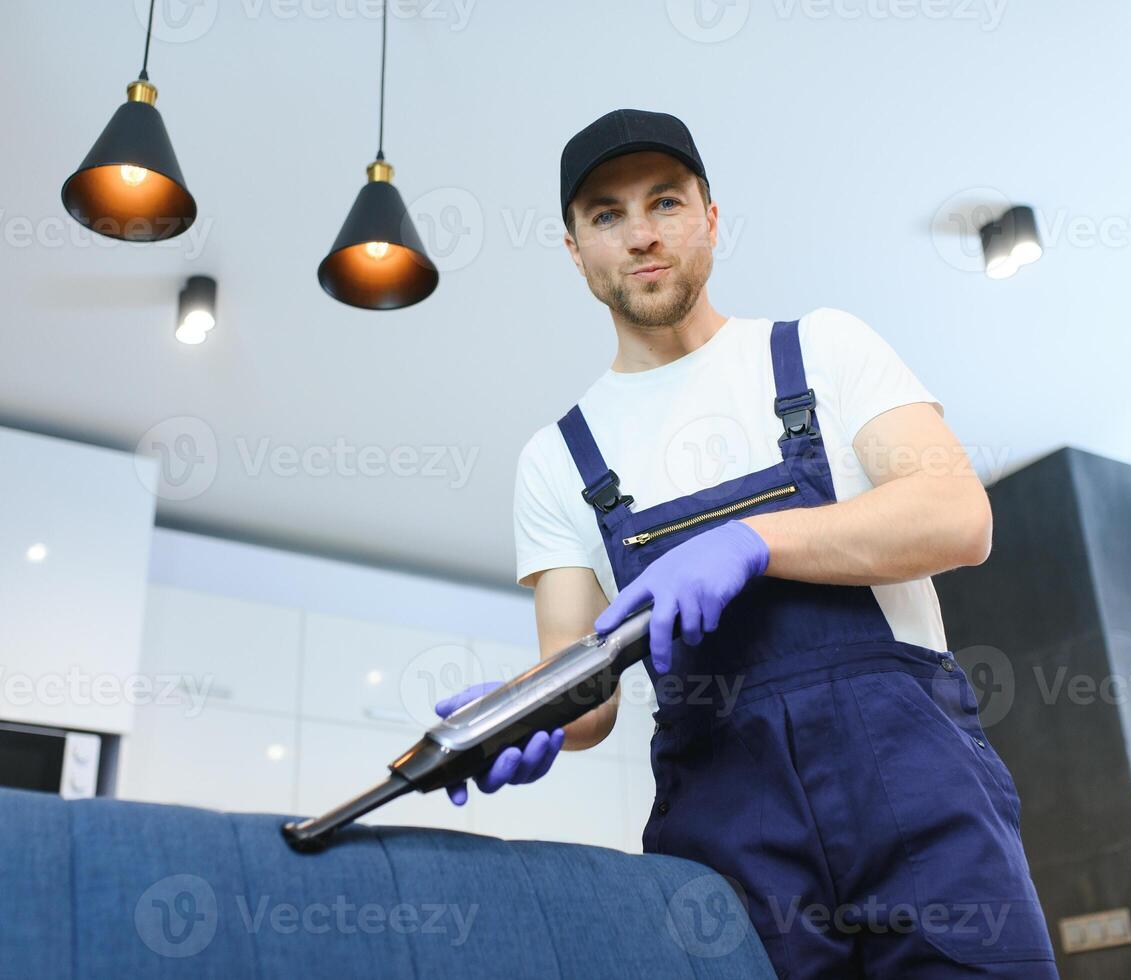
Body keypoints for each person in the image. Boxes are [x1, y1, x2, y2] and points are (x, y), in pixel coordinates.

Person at [434, 109, 1059, 979]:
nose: (641, 235)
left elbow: (958, 517)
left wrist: (753, 540)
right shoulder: (557, 459)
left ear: (711, 219)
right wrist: (521, 716)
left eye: (665, 202)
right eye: (606, 216)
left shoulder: (821, 351)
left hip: (918, 801)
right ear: (575, 252)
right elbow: (585, 693)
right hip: (731, 838)